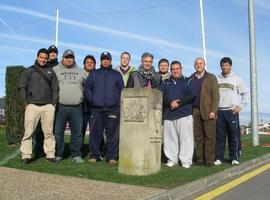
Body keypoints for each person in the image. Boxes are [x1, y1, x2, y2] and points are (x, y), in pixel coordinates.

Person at [19, 48, 59, 164]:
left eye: (45, 58)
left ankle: (50, 155)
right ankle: (26, 156)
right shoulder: (29, 70)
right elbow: (22, 87)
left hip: (48, 106)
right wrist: (25, 103)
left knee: (49, 133)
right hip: (32, 106)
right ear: (37, 57)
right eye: (41, 57)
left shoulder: (51, 71)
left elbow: (55, 88)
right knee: (28, 133)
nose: (43, 60)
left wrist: (53, 103)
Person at [85, 51, 124, 164]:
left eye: (107, 59)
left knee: (112, 134)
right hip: (97, 109)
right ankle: (94, 155)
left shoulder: (116, 75)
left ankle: (111, 156)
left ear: (110, 61)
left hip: (112, 109)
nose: (105, 61)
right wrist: (93, 101)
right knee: (95, 134)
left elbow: (121, 90)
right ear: (101, 61)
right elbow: (88, 89)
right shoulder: (94, 74)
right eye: (103, 59)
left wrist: (116, 104)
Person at [53, 49, 87, 163]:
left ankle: (76, 154)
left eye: (71, 57)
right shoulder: (55, 70)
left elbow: (89, 86)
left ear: (74, 59)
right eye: (67, 57)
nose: (69, 59)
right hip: (60, 107)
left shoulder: (81, 71)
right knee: (58, 132)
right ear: (63, 58)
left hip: (77, 107)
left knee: (77, 133)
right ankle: (58, 154)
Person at [160, 60, 195, 168]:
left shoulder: (188, 81)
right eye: (173, 69)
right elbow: (161, 95)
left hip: (184, 115)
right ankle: (172, 159)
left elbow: (191, 95)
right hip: (169, 115)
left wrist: (178, 103)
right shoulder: (165, 82)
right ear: (171, 70)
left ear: (181, 69)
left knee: (186, 139)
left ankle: (186, 160)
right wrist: (170, 102)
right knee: (169, 139)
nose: (175, 71)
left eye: (177, 69)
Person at [214, 57, 249, 166]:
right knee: (219, 137)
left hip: (231, 111)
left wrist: (240, 106)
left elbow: (246, 94)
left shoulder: (237, 79)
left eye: (226, 65)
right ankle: (218, 158)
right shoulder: (216, 79)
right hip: (219, 111)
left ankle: (234, 157)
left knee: (233, 136)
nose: (224, 67)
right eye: (222, 65)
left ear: (230, 66)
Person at [190, 57, 220, 166]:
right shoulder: (191, 78)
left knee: (209, 136)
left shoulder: (211, 77)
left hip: (208, 111)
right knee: (198, 136)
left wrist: (213, 110)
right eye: (197, 64)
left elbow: (216, 96)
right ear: (194, 66)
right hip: (195, 110)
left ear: (204, 65)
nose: (199, 65)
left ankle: (209, 160)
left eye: (200, 63)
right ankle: (199, 159)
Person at [34, 44, 59, 158]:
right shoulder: (42, 65)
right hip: (39, 102)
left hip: (52, 103)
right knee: (39, 129)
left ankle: (52, 151)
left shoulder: (59, 66)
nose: (53, 53)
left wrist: (54, 102)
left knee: (51, 129)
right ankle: (39, 150)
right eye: (51, 52)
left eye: (55, 51)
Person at [82, 55, 96, 142]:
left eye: (91, 62)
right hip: (82, 106)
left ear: (95, 64)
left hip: (94, 107)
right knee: (80, 130)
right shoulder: (79, 74)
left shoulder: (98, 74)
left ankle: (96, 150)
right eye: (87, 62)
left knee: (95, 130)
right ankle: (78, 151)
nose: (89, 64)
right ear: (84, 64)